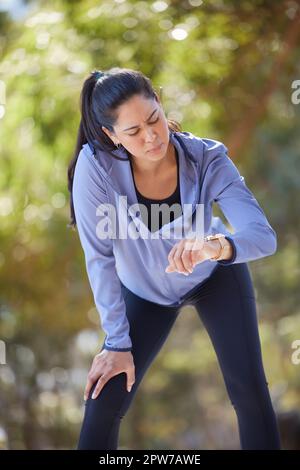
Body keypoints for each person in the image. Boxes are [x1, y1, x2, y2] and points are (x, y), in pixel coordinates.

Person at [67, 67, 281, 450]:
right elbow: (98, 257)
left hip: (215, 278)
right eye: (133, 132)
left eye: (154, 119)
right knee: (101, 406)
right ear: (111, 135)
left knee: (249, 391)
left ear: (161, 106)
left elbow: (262, 236)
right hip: (143, 294)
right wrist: (117, 343)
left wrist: (215, 246)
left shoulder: (206, 158)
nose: (151, 137)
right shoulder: (95, 168)